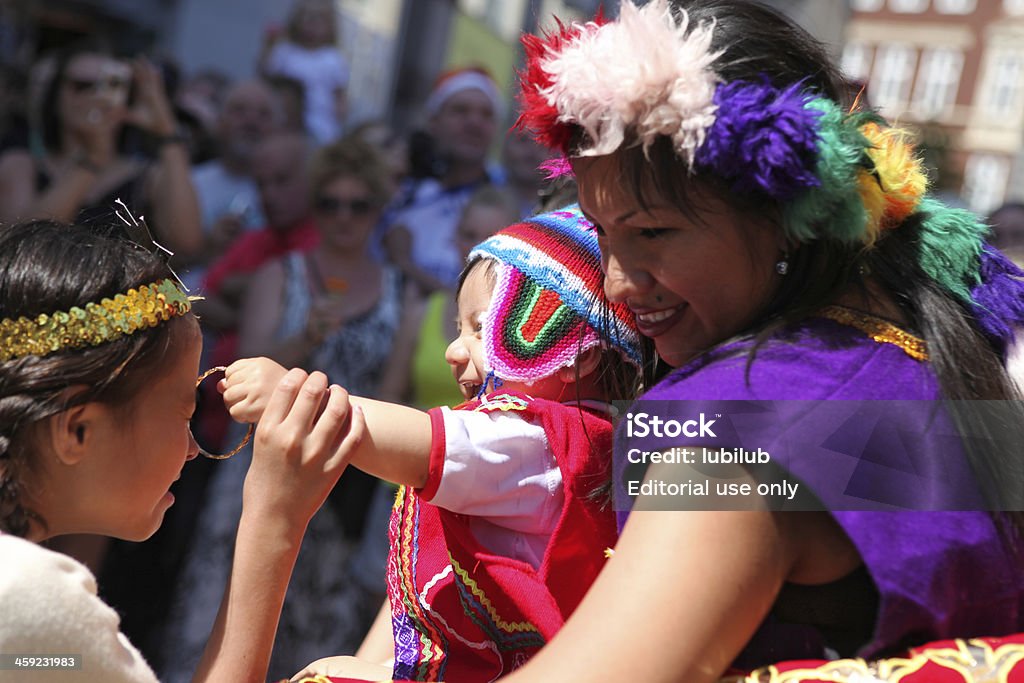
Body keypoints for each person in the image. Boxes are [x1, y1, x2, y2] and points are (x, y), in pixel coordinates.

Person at [463, 1, 1024, 681]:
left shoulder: (739, 419)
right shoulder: (929, 356)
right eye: (605, 235)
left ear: (788, 214)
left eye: (653, 233)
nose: (616, 281)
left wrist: (289, 523)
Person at [223, 205, 644, 682]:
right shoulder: (588, 437)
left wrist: (299, 396)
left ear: (570, 354)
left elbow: (421, 444)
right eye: (457, 328)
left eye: (481, 328)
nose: (453, 350)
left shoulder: (537, 440)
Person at [0, 218, 364, 682]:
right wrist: (274, 520)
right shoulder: (29, 596)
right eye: (183, 414)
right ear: (78, 432)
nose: (193, 449)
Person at [0, 42, 201, 258]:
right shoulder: (20, 164)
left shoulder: (148, 177)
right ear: (57, 94)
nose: (96, 96)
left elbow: (186, 243)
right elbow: (25, 246)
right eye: (82, 85)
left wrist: (166, 130)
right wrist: (91, 161)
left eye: (112, 85)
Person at [381, 67, 503, 295]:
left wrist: (403, 263)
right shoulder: (400, 193)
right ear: (433, 121)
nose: (474, 123)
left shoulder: (512, 204)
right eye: (460, 111)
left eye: (486, 115)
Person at [260, 0, 349, 143]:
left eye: (320, 19)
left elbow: (339, 94)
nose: (313, 25)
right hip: (285, 123)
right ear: (297, 20)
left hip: (321, 126)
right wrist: (268, 45)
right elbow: (266, 77)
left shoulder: (333, 58)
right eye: (308, 18)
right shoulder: (284, 51)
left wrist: (340, 114)